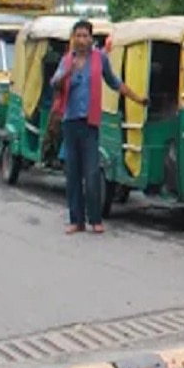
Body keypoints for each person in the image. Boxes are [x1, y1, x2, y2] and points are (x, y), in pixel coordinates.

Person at [51, 18, 146, 234]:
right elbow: (54, 83)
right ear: (73, 38)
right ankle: (76, 220)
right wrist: (69, 71)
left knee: (92, 174)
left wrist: (137, 98)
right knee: (73, 174)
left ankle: (95, 219)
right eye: (78, 36)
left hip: (90, 124)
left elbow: (114, 82)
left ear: (91, 38)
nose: (82, 40)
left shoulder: (99, 59)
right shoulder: (67, 60)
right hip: (70, 123)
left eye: (85, 36)